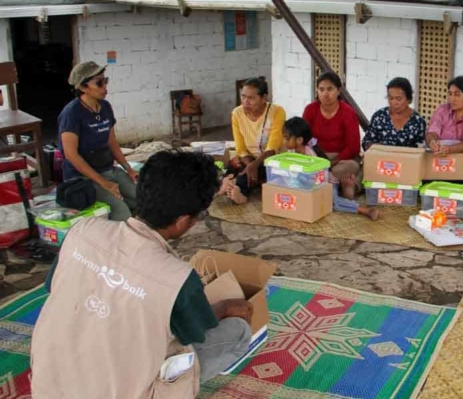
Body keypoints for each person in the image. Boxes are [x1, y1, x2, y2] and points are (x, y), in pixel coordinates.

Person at [31, 151, 253, 398]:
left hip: (47, 386)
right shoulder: (177, 278)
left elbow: (56, 288)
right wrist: (223, 307)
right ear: (183, 221)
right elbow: (196, 332)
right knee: (237, 330)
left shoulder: (82, 230)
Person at [58, 61, 137, 221]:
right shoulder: (71, 114)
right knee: (122, 213)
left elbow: (112, 143)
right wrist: (104, 183)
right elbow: (71, 155)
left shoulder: (105, 106)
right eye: (99, 83)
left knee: (143, 198)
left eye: (105, 81)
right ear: (82, 87)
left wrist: (128, 169)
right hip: (83, 177)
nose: (104, 87)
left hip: (107, 169)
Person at [283, 117, 380, 221]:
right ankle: (344, 193)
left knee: (332, 202)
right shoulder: (292, 152)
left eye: (287, 138)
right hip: (310, 183)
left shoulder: (310, 154)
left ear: (299, 140)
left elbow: (318, 176)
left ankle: (365, 210)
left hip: (325, 182)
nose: (284, 141)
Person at [303, 72, 361, 198]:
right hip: (315, 157)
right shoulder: (310, 109)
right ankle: (336, 184)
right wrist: (317, 161)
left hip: (340, 159)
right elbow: (303, 138)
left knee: (353, 166)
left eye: (330, 89)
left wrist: (332, 162)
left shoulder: (348, 112)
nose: (325, 93)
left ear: (338, 91)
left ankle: (323, 182)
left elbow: (353, 147)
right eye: (321, 89)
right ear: (317, 91)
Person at [229, 77, 286, 204]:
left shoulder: (277, 112)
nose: (245, 102)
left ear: (264, 98)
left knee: (250, 174)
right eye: (243, 96)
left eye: (251, 98)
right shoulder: (236, 114)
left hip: (271, 159)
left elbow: (272, 148)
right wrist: (250, 165)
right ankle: (243, 183)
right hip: (248, 159)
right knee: (232, 166)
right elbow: (241, 149)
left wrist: (254, 165)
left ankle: (241, 192)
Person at [362, 77, 426, 150]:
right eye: (391, 98)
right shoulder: (379, 117)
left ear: (408, 99)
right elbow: (366, 143)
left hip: (407, 161)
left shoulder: (418, 122)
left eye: (398, 99)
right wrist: (375, 146)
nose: (394, 103)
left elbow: (421, 150)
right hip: (380, 160)